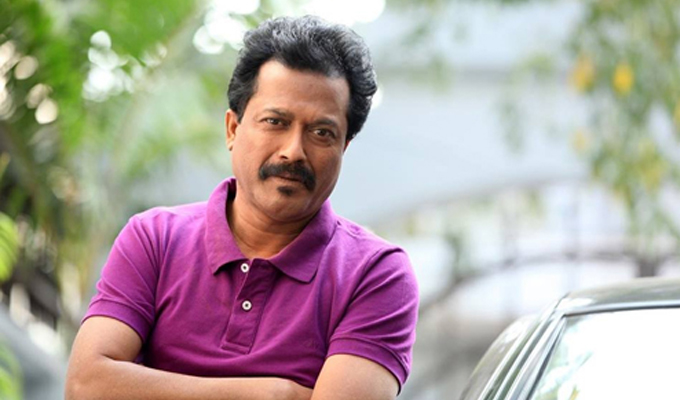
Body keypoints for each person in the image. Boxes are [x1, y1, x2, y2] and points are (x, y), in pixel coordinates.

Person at [66, 15, 418, 400]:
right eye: (275, 121)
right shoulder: (155, 240)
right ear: (233, 129)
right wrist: (275, 394)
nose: (293, 151)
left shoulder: (375, 275)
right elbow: (86, 386)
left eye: (322, 133)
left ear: (343, 148)